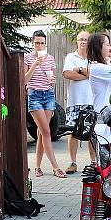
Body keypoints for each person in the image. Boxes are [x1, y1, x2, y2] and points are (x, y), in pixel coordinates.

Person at [25, 30, 66, 178]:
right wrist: (35, 64)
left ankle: (37, 167)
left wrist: (52, 80)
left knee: (42, 132)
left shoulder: (50, 58)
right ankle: (55, 167)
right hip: (34, 95)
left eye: (42, 43)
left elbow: (52, 77)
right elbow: (24, 80)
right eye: (37, 43)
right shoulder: (28, 58)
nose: (40, 46)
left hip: (48, 95)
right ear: (32, 42)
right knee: (46, 132)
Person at [62, 31, 94, 174]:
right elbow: (67, 74)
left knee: (92, 132)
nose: (82, 42)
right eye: (80, 39)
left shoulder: (94, 58)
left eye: (85, 40)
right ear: (76, 41)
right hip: (74, 101)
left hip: (91, 101)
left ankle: (93, 162)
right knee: (73, 132)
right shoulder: (71, 57)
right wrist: (87, 75)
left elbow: (96, 74)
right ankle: (73, 162)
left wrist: (80, 73)